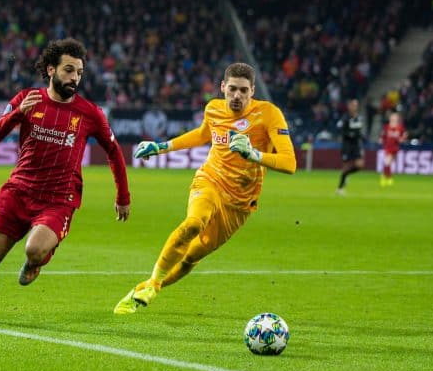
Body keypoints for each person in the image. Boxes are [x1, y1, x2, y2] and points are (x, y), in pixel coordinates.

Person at [0, 38, 131, 325]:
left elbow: (114, 151)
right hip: (20, 191)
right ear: (51, 69)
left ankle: (39, 260)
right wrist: (18, 113)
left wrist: (123, 195)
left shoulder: (90, 113)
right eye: (68, 70)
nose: (75, 78)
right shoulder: (27, 98)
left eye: (79, 73)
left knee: (34, 249)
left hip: (59, 198)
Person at [113, 63, 296, 315]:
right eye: (232, 89)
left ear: (252, 91)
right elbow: (202, 134)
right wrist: (160, 147)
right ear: (223, 87)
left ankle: (150, 288)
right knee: (194, 223)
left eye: (243, 90)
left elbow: (290, 163)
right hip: (210, 179)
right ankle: (153, 282)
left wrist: (253, 153)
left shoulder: (268, 114)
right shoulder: (213, 108)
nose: (237, 96)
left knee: (191, 257)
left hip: (240, 202)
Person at [336, 98, 364, 195]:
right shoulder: (345, 118)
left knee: (360, 165)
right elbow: (340, 129)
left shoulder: (359, 118)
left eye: (356, 105)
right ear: (349, 106)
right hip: (347, 145)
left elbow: (359, 131)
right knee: (346, 166)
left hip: (356, 145)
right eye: (353, 105)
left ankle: (345, 175)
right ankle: (340, 188)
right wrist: (349, 134)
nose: (355, 107)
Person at [379, 112, 407, 187]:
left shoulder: (400, 128)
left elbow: (404, 135)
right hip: (388, 147)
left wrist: (402, 139)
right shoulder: (386, 127)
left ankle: (387, 178)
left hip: (395, 148)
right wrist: (381, 139)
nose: (393, 118)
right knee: (387, 162)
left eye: (395, 117)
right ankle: (386, 178)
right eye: (392, 117)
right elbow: (382, 135)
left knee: (389, 163)